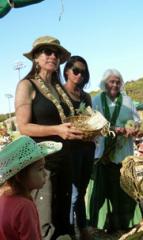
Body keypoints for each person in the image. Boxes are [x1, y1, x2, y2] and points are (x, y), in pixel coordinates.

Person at [15, 36, 84, 239]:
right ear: (36, 57)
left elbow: (69, 119)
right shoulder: (26, 85)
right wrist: (58, 130)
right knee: (45, 220)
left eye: (57, 53)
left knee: (64, 216)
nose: (53, 56)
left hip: (66, 159)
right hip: (42, 164)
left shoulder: (60, 89)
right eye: (47, 51)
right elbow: (23, 127)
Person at [88, 69, 142, 233]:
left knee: (123, 188)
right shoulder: (96, 100)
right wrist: (113, 129)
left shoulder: (127, 100)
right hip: (103, 153)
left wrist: (133, 128)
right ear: (105, 83)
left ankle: (124, 222)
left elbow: (137, 121)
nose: (115, 85)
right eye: (112, 81)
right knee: (102, 188)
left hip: (123, 151)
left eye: (118, 82)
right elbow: (92, 125)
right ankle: (102, 223)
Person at [0, 135, 62, 240]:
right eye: (40, 169)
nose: (45, 174)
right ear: (20, 176)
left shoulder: (3, 197)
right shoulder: (24, 207)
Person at [63, 56, 95, 240]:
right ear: (67, 71)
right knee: (72, 194)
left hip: (87, 148)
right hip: (70, 149)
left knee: (81, 191)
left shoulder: (86, 96)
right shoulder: (60, 93)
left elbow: (90, 121)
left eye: (83, 72)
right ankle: (69, 232)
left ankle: (82, 228)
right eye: (76, 70)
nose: (80, 75)